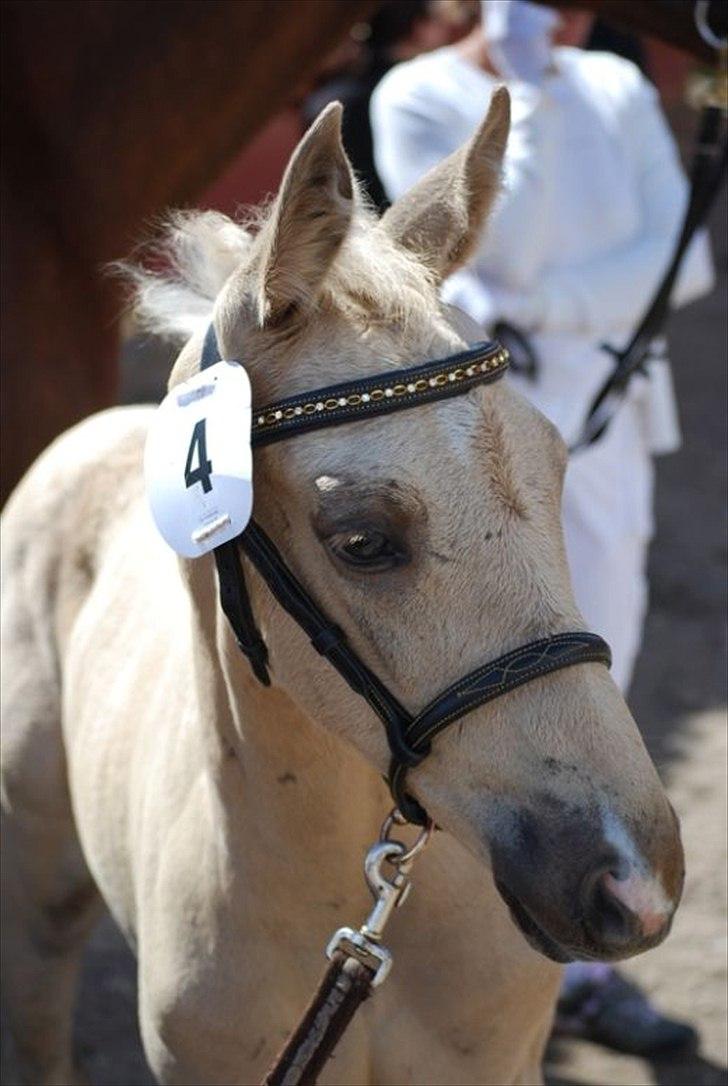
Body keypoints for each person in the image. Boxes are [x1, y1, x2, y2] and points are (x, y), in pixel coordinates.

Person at [370, 0, 714, 1056]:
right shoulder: (417, 95)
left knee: (596, 677)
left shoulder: (611, 89)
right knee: (468, 693)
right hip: (491, 445)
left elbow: (681, 261)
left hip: (606, 421)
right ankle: (438, 954)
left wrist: (553, 306)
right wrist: (514, 114)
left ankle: (566, 972)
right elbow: (459, 272)